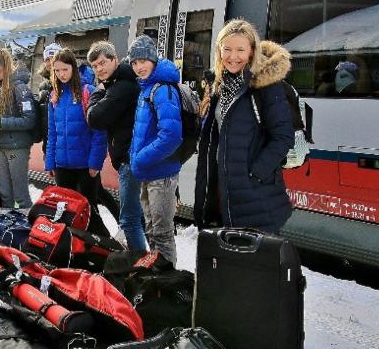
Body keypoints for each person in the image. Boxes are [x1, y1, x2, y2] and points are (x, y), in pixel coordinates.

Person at [194, 19, 295, 234]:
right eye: (227, 49)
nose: (233, 56)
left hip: (255, 195)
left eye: (241, 49)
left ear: (251, 51)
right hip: (222, 193)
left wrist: (255, 173)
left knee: (256, 263)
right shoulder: (218, 86)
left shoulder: (266, 86)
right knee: (227, 262)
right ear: (219, 50)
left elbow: (283, 136)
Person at [85, 41, 147, 252]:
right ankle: (151, 262)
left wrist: (97, 92)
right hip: (132, 155)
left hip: (129, 158)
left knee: (129, 219)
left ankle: (140, 264)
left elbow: (95, 118)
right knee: (138, 216)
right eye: (95, 66)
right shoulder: (121, 82)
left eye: (103, 62)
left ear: (115, 59)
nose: (100, 69)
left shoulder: (121, 86)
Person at [128, 35, 183, 267]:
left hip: (161, 174)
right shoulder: (147, 88)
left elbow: (171, 135)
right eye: (134, 63)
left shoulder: (162, 90)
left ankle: (170, 282)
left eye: (143, 61)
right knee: (151, 229)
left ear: (153, 59)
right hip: (148, 172)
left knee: (162, 232)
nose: (139, 67)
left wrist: (140, 158)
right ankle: (158, 277)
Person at [45, 48, 108, 235]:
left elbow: (99, 132)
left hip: (85, 166)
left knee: (90, 211)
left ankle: (101, 245)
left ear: (73, 67)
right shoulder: (54, 96)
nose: (61, 74)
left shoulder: (87, 92)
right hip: (62, 165)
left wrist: (95, 163)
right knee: (65, 211)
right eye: (57, 70)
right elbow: (52, 133)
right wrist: (50, 161)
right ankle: (73, 246)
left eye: (64, 69)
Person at [0, 49, 36, 209]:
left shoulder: (20, 88)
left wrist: (2, 124)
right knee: (4, 194)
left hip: (17, 148)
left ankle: (28, 229)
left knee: (21, 195)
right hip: (1, 147)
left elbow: (29, 120)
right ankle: (8, 228)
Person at [36, 42, 60, 155]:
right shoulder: (43, 86)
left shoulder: (70, 84)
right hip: (48, 142)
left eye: (53, 58)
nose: (50, 62)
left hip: (65, 143)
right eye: (47, 59)